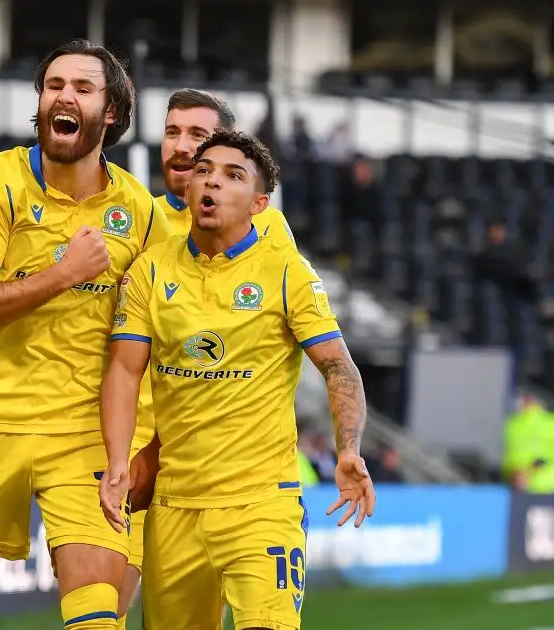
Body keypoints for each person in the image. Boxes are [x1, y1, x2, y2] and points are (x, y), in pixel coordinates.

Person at [0, 39, 172, 630]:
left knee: (97, 613)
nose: (63, 96)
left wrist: (144, 445)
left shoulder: (139, 210)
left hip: (82, 433)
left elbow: (154, 336)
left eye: (83, 88)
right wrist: (64, 274)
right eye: (54, 86)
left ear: (111, 113)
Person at [100, 129, 376, 630]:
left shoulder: (286, 270)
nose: (212, 183)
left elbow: (338, 366)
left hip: (261, 506)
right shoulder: (149, 271)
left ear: (259, 203)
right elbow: (123, 369)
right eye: (203, 171)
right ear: (186, 190)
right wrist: (119, 459)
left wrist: (349, 449)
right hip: (173, 507)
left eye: (233, 176)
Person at [120, 87, 300, 616]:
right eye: (172, 132)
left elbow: (278, 328)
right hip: (128, 457)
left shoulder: (265, 231)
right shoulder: (135, 220)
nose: (180, 146)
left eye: (196, 136)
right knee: (104, 611)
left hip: (216, 465)